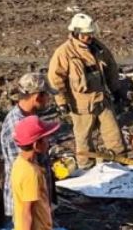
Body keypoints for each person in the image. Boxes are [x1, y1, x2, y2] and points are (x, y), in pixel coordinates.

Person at [48, 14, 126, 170]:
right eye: (86, 34)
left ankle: (121, 166)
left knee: (115, 137)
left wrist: (116, 89)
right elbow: (55, 79)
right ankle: (86, 170)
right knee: (84, 143)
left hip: (102, 101)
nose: (89, 37)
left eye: (91, 34)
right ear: (76, 33)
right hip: (81, 106)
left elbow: (111, 68)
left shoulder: (98, 48)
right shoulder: (64, 53)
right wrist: (62, 102)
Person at [1, 73, 57, 218]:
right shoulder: (18, 127)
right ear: (37, 97)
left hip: (36, 202)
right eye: (47, 96)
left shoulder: (29, 118)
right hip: (27, 206)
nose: (48, 100)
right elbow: (22, 174)